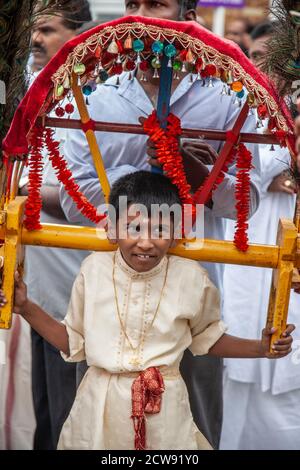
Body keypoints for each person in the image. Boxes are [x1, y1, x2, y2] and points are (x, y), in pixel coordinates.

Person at [60, 0, 261, 449]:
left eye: (157, 4)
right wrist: (136, 177)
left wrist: (198, 177)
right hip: (109, 292)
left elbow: (249, 203)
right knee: (98, 423)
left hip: (190, 294)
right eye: (133, 4)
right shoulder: (95, 93)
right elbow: (75, 203)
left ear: (186, 16)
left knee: (194, 424)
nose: (141, 13)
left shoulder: (226, 95)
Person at [0, 171, 294, 450]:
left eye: (161, 230)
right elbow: (73, 342)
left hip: (165, 412)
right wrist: (25, 307)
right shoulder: (93, 270)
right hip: (98, 411)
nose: (146, 242)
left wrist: (261, 348)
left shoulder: (192, 278)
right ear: (112, 229)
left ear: (177, 233)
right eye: (135, 228)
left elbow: (208, 339)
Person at [220, 21, 300, 450]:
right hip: (246, 232)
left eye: (278, 61)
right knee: (243, 345)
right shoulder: (235, 104)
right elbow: (229, 169)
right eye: (257, 59)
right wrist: (273, 172)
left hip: (290, 230)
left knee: (291, 353)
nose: (265, 70)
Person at [19, 0, 92, 450]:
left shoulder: (94, 96)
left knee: (69, 423)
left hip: (74, 289)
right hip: (38, 284)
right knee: (45, 417)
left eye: (46, 28)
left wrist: (23, 193)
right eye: (33, 29)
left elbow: (91, 202)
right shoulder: (36, 91)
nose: (35, 39)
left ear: (78, 33)